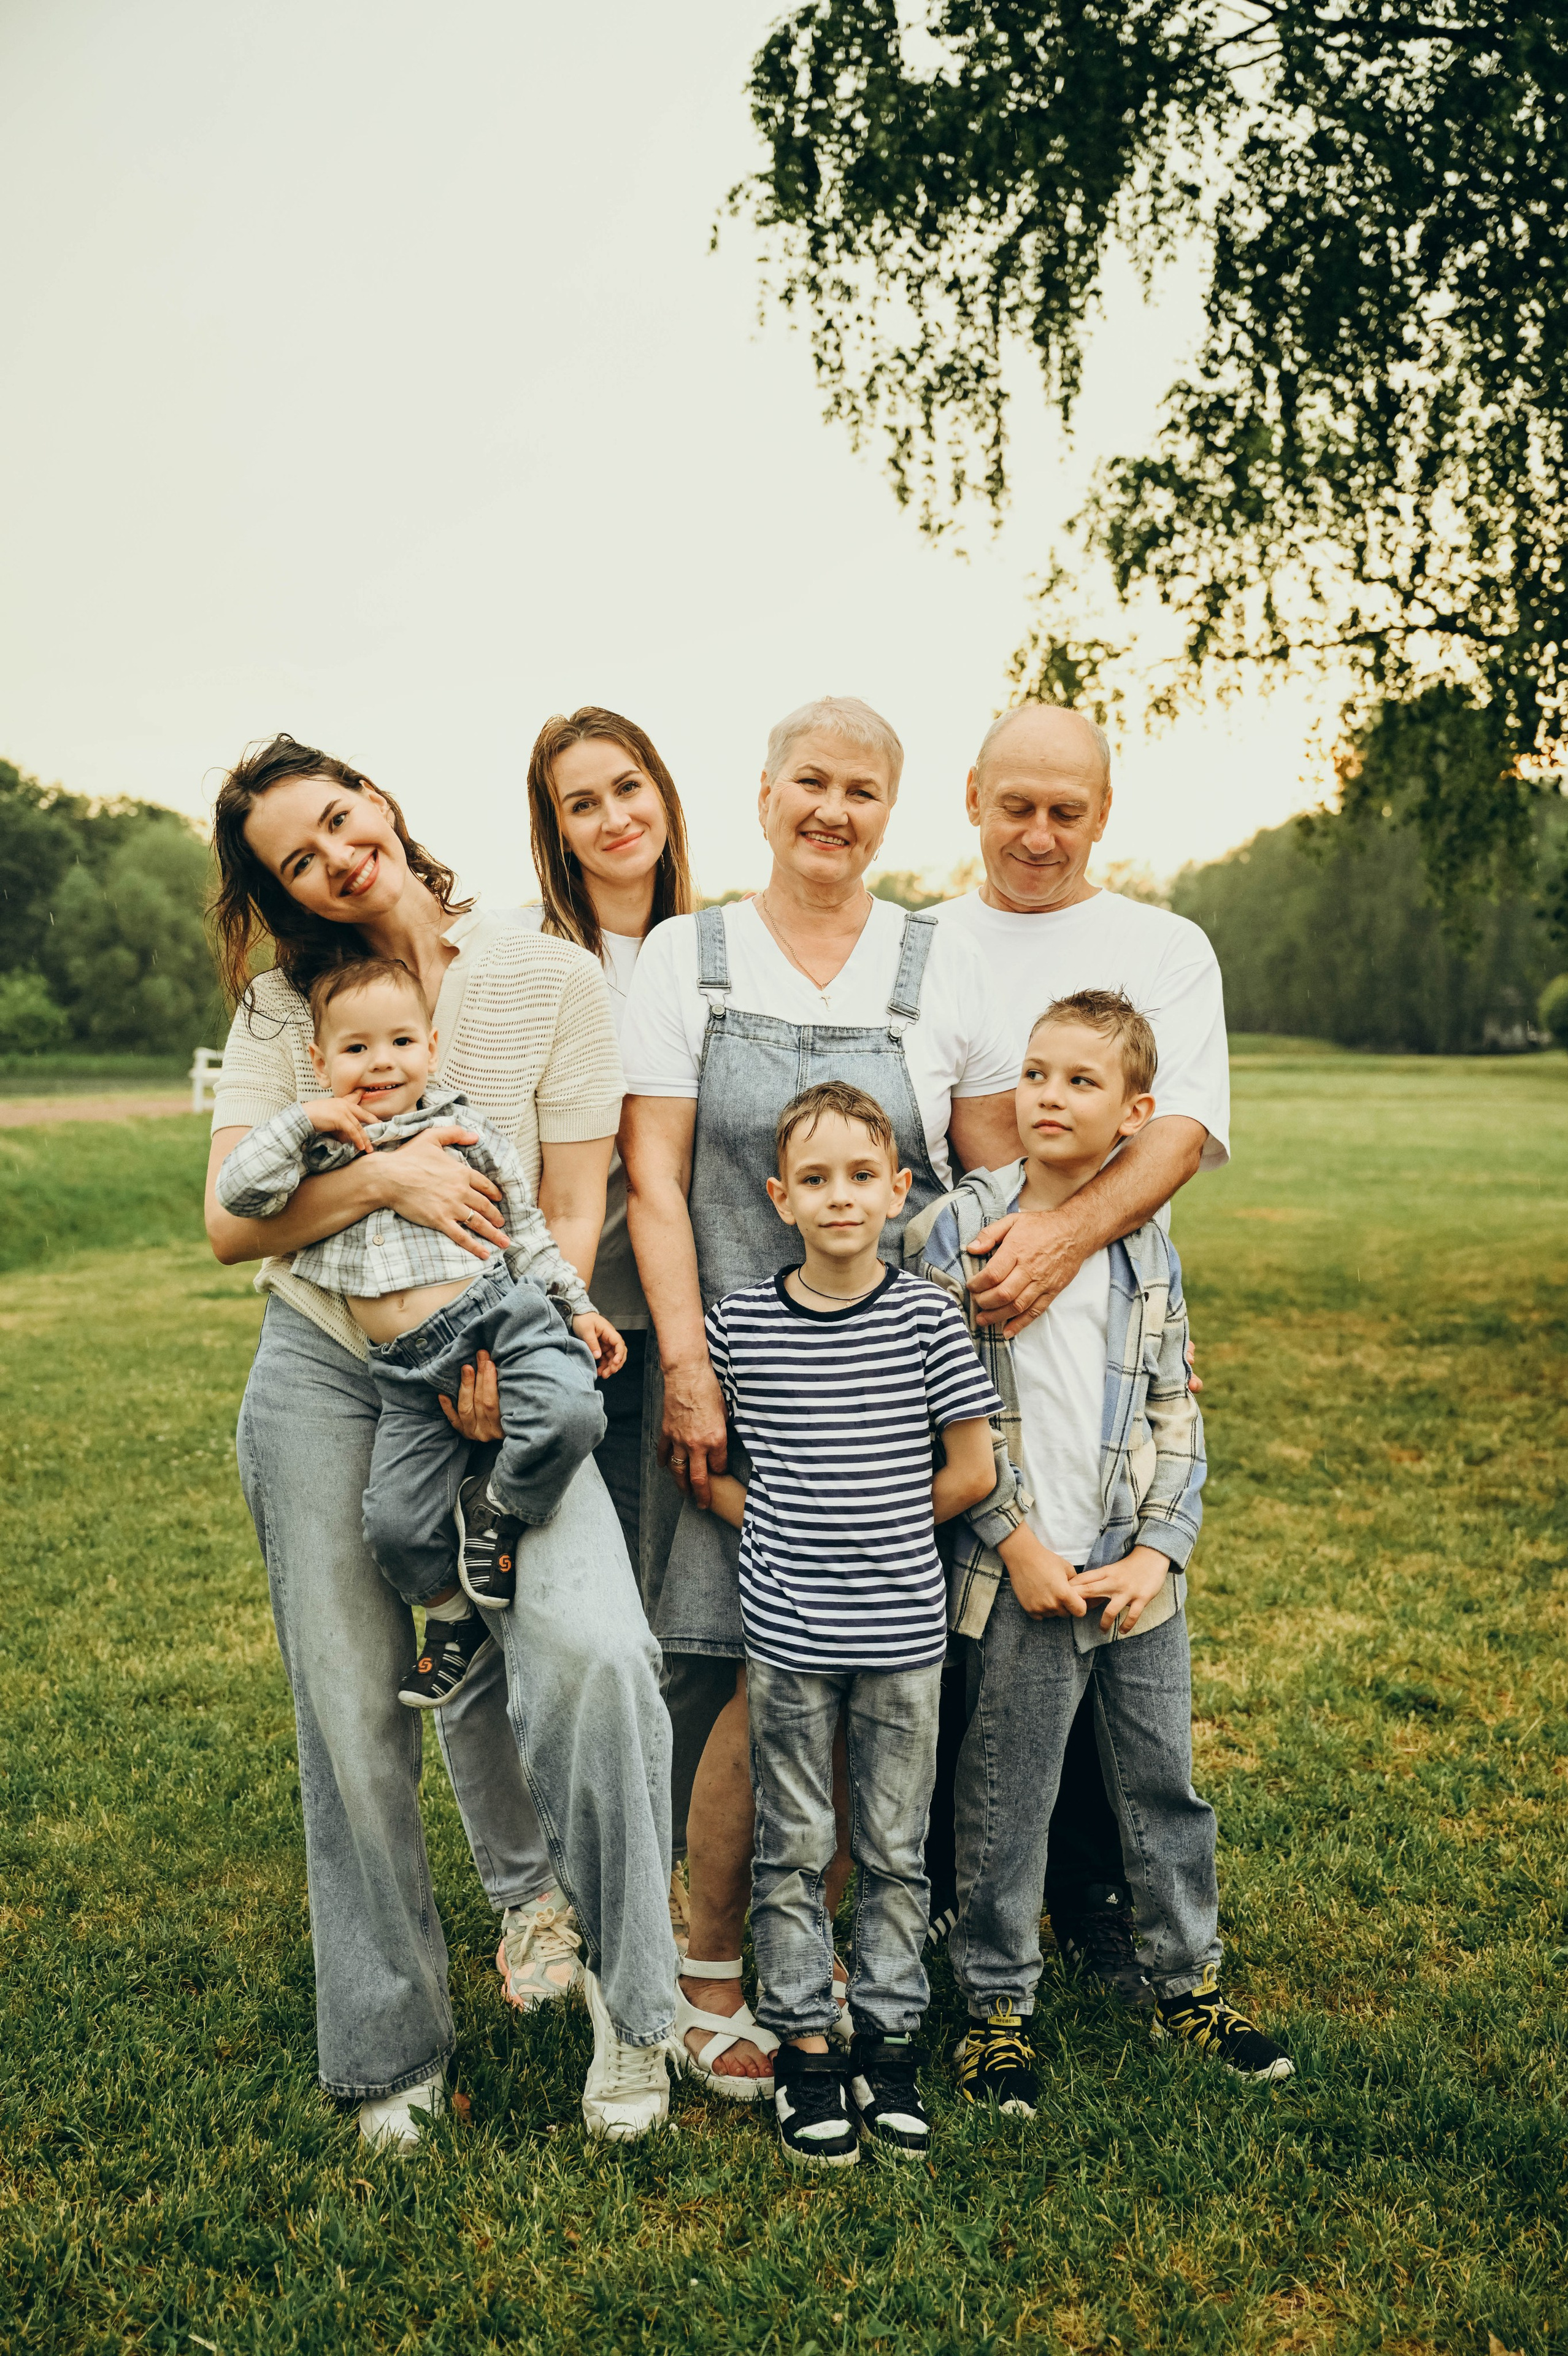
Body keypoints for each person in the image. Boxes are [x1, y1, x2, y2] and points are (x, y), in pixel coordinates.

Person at [204, 733, 676, 2150]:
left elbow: (572, 1205)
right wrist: (388, 1180)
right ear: (282, 891)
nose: (333, 857)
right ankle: (388, 2046)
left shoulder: (550, 975)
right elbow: (231, 1221)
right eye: (296, 858)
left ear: (380, 800)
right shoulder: (286, 1009)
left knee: (600, 1652)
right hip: (326, 1363)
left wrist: (511, 1346)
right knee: (350, 1710)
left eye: (336, 817)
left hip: (502, 1354)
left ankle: (633, 2008)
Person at [620, 695, 1024, 2098]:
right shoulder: (689, 956)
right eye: (810, 782)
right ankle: (706, 1961)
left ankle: (818, 1960)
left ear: (888, 811)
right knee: (745, 1680)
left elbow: (990, 1187)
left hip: (885, 1400)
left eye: (860, 791)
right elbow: (653, 1183)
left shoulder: (942, 960)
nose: (831, 811)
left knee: (859, 1679)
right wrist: (688, 1364)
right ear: (763, 793)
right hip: (740, 1380)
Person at [908, 990, 1292, 2102]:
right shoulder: (959, 1231)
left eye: (1082, 1081)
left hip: (1134, 1577)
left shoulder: (1145, 1248)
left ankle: (1188, 1981)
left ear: (1135, 1115)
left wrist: (1160, 1551)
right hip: (1020, 1575)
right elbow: (942, 1411)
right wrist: (1017, 1543)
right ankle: (996, 2008)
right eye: (1036, 1073)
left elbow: (1177, 1408)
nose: (1049, 1096)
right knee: (1005, 1797)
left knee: (1161, 1783)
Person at [928, 704, 1232, 1998]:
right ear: (971, 797)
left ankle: (1118, 1921)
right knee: (989, 1704)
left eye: (1067, 810)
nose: (1040, 835)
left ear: (1103, 812)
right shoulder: (929, 944)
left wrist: (1059, 1245)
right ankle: (975, 1938)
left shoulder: (1162, 946)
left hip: (1101, 1335)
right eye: (1017, 807)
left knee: (1131, 1711)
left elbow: (1180, 1134)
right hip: (971, 1330)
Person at [423, 704, 699, 2012]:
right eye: (580, 802)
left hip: (676, 1330)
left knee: (649, 1624)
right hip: (546, 1335)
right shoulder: (524, 962)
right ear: (553, 830)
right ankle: (533, 1894)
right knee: (515, 1612)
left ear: (665, 795)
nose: (612, 818)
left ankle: (652, 1879)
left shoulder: (711, 953)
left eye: (627, 787)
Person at [701, 1082, 1002, 2165]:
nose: (840, 1197)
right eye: (816, 1179)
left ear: (897, 1189)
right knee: (793, 1847)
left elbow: (973, 1470)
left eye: (862, 1176)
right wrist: (786, 1521)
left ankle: (887, 2045)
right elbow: (709, 1468)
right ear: (780, 1198)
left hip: (903, 1637)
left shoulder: (928, 1317)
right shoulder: (740, 1327)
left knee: (894, 1850)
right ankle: (805, 2049)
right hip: (787, 1637)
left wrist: (881, 1523)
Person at [214, 953, 621, 1709]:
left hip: (499, 1320)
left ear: (430, 1048)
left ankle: (502, 1507)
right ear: (321, 1063)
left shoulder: (464, 1130)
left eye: (400, 1042)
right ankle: (452, 1616)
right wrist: (304, 1119)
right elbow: (237, 1196)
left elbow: (526, 1232)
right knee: (393, 1526)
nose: (381, 1062)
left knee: (572, 1412)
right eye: (356, 1047)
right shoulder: (319, 1149)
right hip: (402, 1368)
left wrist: (578, 1306)